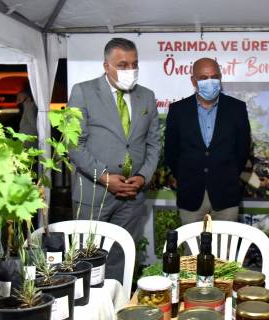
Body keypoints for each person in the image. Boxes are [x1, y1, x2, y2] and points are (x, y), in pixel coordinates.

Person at [68, 38, 160, 270]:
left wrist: (143, 177)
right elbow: (74, 144)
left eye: (134, 64)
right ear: (106, 66)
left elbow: (154, 143)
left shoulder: (146, 96)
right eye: (122, 65)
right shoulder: (83, 92)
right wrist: (104, 177)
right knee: (87, 260)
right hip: (94, 195)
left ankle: (119, 303)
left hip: (132, 195)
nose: (130, 70)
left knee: (122, 259)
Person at [164, 58, 251, 225]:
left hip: (226, 196)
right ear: (193, 80)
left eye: (214, 76)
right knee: (192, 250)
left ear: (220, 78)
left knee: (224, 250)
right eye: (203, 78)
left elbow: (242, 151)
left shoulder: (237, 108)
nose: (210, 82)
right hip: (190, 195)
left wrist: (228, 174)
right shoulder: (178, 110)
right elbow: (171, 153)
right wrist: (186, 176)